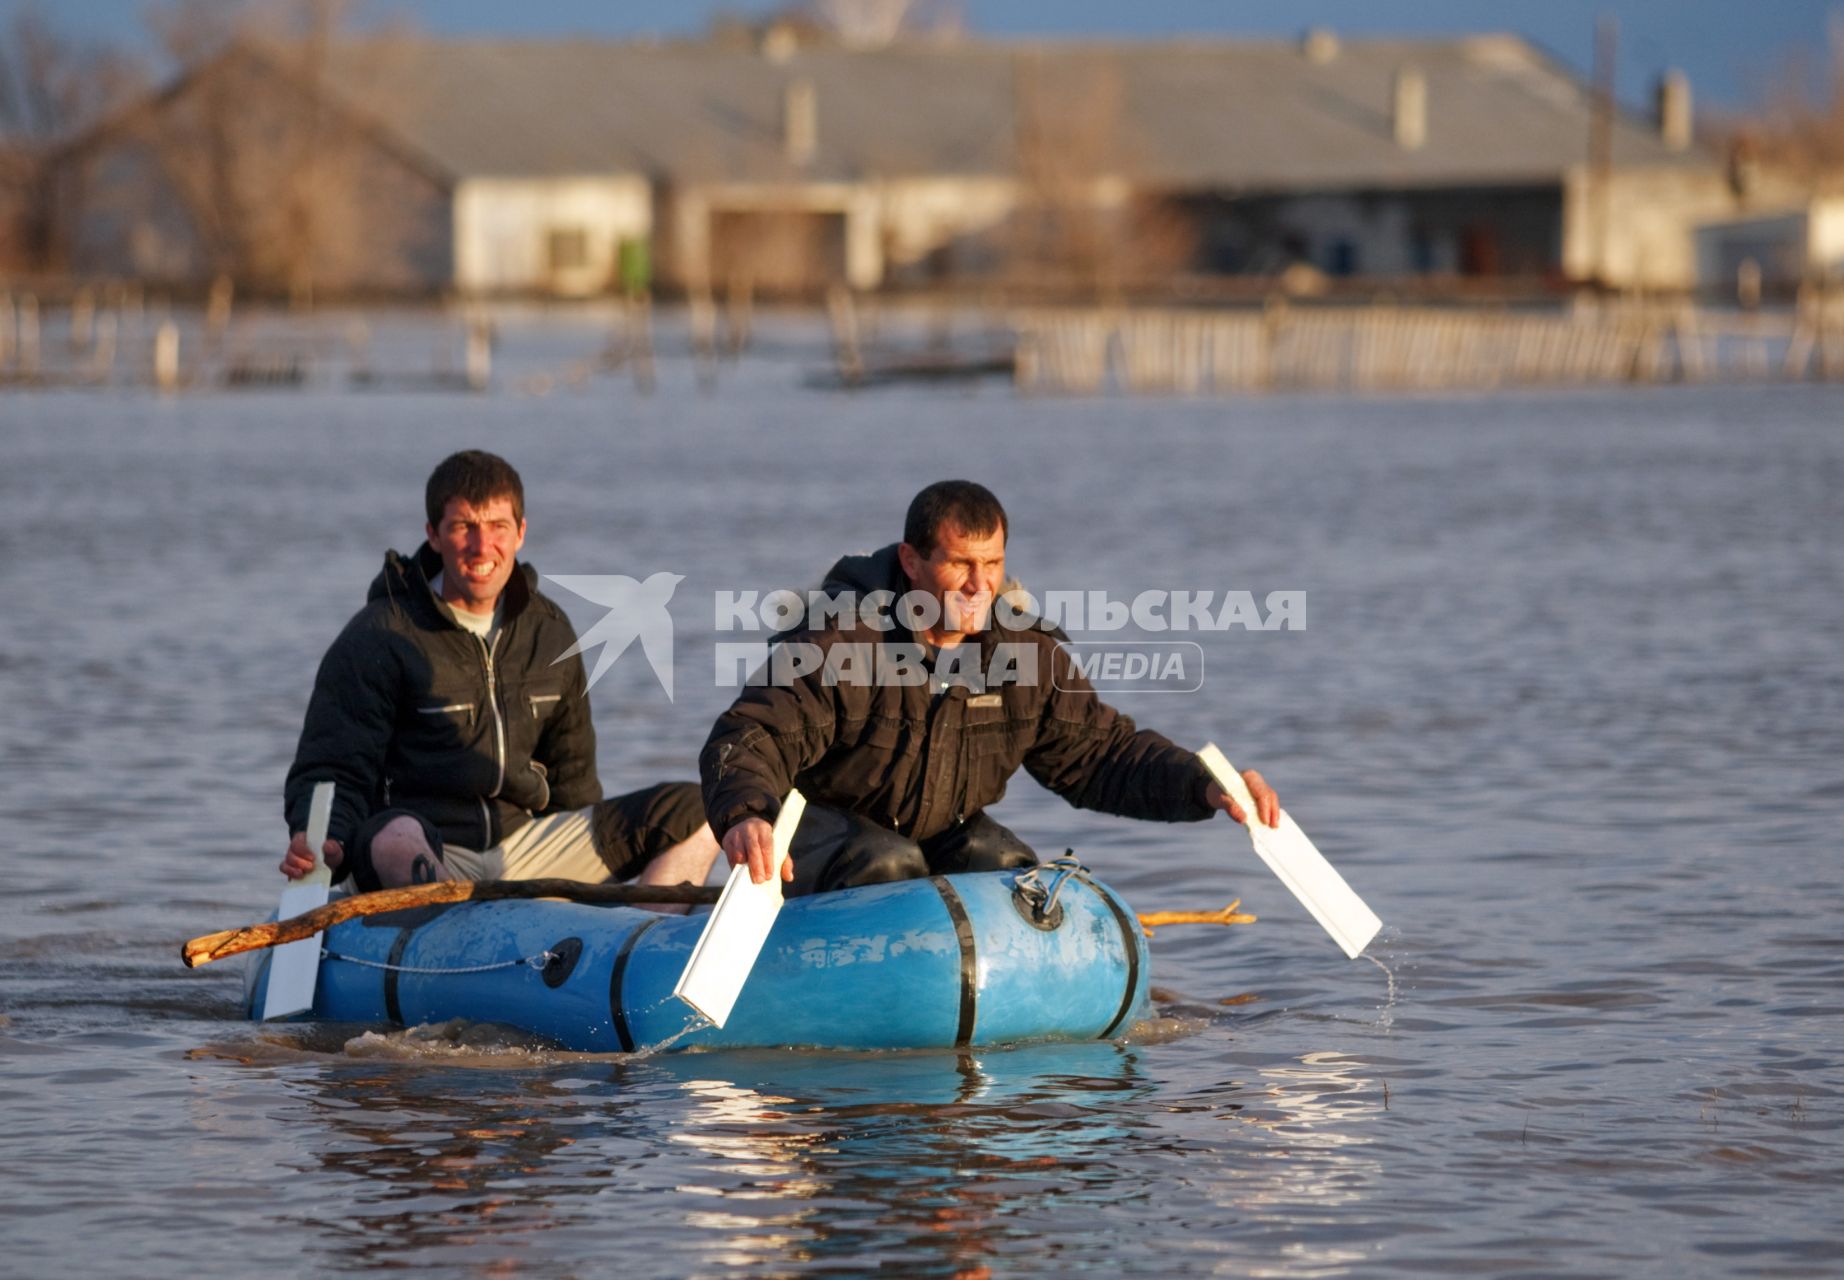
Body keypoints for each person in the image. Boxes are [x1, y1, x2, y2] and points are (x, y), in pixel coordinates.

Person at [702, 479, 1278, 893]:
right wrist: (748, 816)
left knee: (1003, 865)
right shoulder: (843, 642)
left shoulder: (1026, 654)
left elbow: (1103, 754)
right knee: (888, 865)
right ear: (911, 560)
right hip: (819, 839)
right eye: (960, 564)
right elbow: (750, 735)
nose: (980, 585)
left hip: (938, 834)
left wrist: (1207, 786)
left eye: (993, 564)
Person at [279, 450, 717, 905]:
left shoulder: (549, 631)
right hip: (424, 847)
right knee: (395, 838)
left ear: (521, 533)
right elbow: (331, 768)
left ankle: (640, 944)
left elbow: (574, 779)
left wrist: (583, 892)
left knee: (704, 812)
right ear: (433, 535)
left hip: (524, 849)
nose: (481, 546)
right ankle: (458, 935)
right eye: (463, 526)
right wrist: (325, 841)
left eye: (497, 527)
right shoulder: (379, 635)